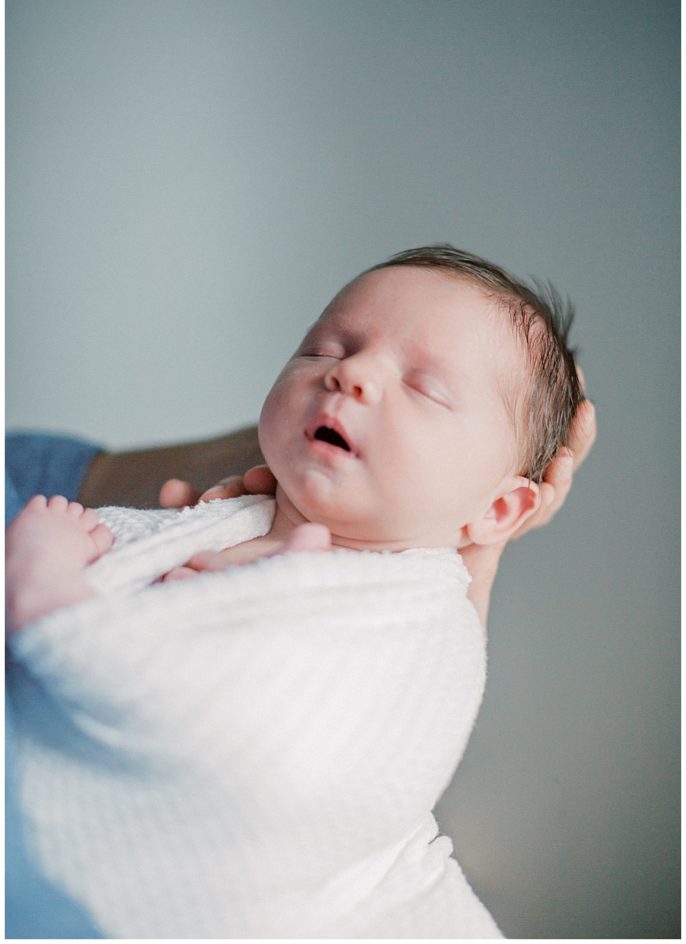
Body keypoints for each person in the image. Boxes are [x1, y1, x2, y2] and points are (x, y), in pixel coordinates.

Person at [6, 245, 595, 938]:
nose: (350, 372)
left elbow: (273, 760)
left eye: (426, 388)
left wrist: (53, 602)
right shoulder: (238, 516)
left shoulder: (415, 619)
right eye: (323, 348)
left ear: (499, 511)